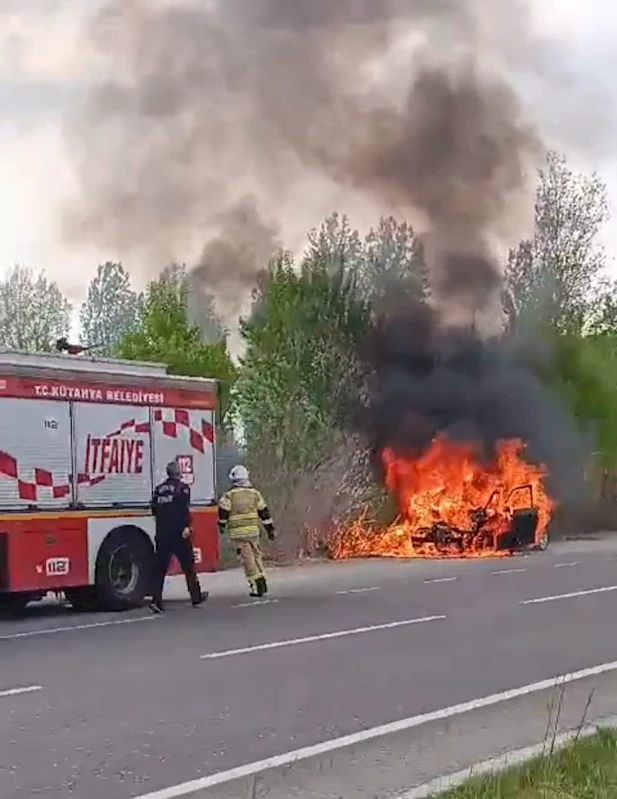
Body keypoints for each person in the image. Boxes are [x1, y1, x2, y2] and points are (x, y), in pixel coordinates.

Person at [149, 460, 208, 613]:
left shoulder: (158, 490)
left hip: (162, 533)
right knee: (188, 566)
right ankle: (196, 596)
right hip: (179, 533)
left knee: (160, 569)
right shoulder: (182, 489)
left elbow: (154, 510)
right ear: (178, 473)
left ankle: (156, 600)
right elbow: (184, 510)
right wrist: (188, 526)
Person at [218, 465, 275, 597]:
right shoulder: (255, 494)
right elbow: (264, 513)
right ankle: (262, 581)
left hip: (238, 534)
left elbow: (223, 513)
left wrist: (221, 526)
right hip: (253, 532)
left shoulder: (229, 495)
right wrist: (270, 529)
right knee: (256, 557)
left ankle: (256, 586)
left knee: (247, 560)